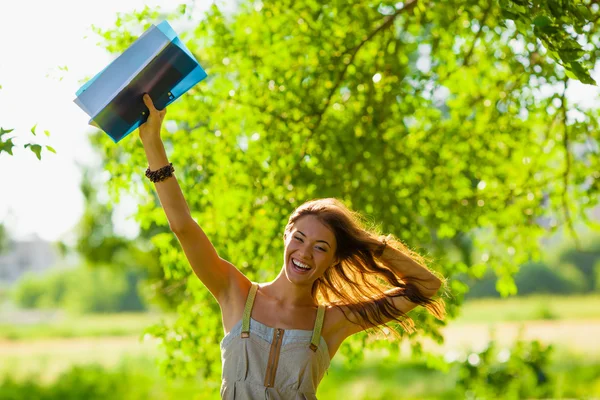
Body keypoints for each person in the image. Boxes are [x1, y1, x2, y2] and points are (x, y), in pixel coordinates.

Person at [139, 94, 445, 399]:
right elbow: (183, 226)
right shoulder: (235, 292)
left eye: (321, 247)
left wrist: (370, 245)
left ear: (335, 259)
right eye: (299, 238)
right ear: (286, 235)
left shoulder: (333, 322)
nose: (304, 253)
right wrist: (152, 140)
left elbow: (427, 285)